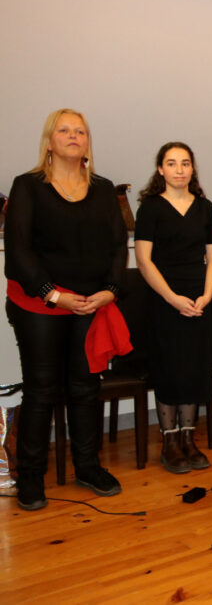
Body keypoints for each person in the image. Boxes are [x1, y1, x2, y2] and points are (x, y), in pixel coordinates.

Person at [5, 109, 128, 510]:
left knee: (85, 388)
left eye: (80, 131)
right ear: (49, 141)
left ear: (87, 142)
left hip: (90, 304)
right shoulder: (27, 186)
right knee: (42, 390)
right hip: (39, 305)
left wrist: (110, 291)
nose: (74, 136)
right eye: (64, 130)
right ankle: (30, 477)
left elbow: (117, 246)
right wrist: (53, 294)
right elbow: (18, 251)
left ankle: (88, 467)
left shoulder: (103, 189)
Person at [134, 142, 212, 473]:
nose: (179, 169)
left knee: (194, 368)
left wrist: (207, 295)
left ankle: (188, 438)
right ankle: (169, 442)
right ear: (161, 169)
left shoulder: (205, 207)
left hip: (199, 299)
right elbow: (144, 261)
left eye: (185, 163)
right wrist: (172, 298)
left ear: (192, 168)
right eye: (172, 163)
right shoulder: (150, 208)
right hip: (164, 299)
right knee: (169, 368)